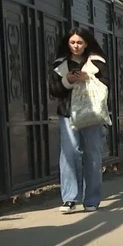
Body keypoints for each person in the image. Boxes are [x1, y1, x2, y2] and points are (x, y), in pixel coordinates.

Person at [49, 27, 109, 214]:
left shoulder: (97, 63)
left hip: (91, 114)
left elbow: (107, 86)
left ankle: (92, 199)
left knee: (93, 154)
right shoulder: (60, 64)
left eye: (79, 42)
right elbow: (54, 90)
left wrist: (88, 77)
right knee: (69, 153)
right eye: (72, 42)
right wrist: (67, 80)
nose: (76, 46)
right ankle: (69, 198)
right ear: (68, 43)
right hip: (68, 114)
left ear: (86, 43)